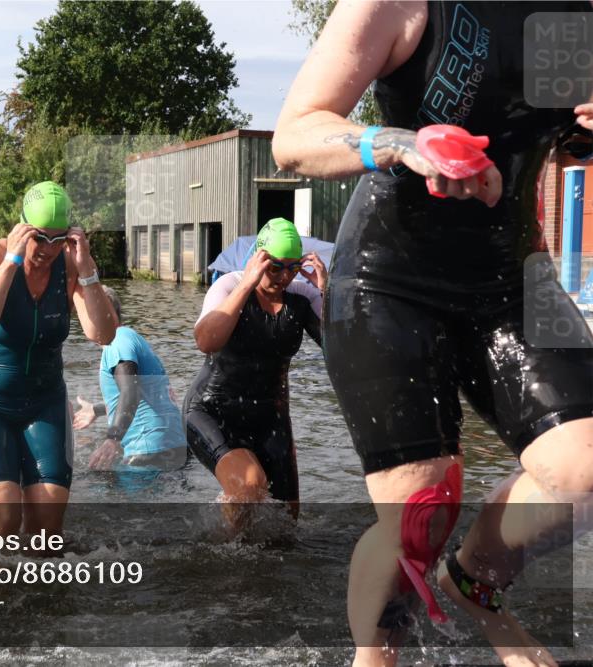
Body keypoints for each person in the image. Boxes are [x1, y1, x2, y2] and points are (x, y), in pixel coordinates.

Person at [272, 2, 593, 665]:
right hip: (389, 279)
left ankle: (474, 583)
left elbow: (561, 140)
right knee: (423, 509)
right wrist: (401, 143)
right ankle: (376, 657)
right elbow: (295, 134)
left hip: (512, 277)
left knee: (585, 470)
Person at [0, 180, 117, 537]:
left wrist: (87, 269)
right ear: (21, 227)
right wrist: (11, 262)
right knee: (2, 522)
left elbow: (103, 334)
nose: (48, 249)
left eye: (58, 239)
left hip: (44, 402)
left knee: (46, 532)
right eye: (39, 237)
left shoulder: (70, 265)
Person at [184, 218, 325, 518]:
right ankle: (222, 556)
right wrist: (247, 283)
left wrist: (328, 294)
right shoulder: (230, 285)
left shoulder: (302, 297)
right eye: (275, 266)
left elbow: (343, 352)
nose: (284, 276)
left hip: (270, 421)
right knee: (250, 485)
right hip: (213, 412)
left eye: (293, 267)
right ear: (258, 258)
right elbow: (205, 341)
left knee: (287, 524)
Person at [73, 286, 187, 472]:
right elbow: (142, 393)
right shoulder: (127, 338)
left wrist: (113, 439)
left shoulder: (116, 341)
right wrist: (96, 409)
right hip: (171, 447)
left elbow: (130, 392)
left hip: (147, 450)